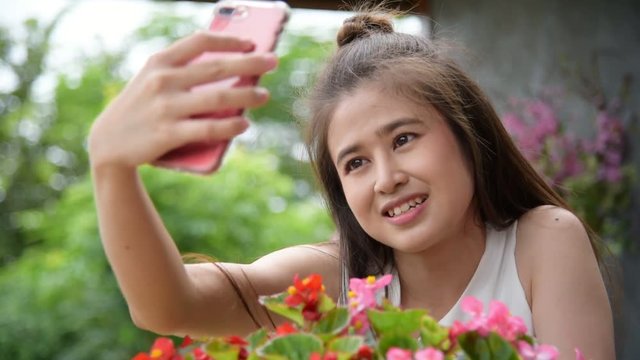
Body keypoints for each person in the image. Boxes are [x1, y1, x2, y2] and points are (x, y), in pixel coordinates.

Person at [88, 9, 615, 360]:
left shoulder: (543, 240)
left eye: (404, 138)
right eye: (356, 163)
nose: (387, 178)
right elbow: (169, 307)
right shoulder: (336, 281)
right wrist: (111, 168)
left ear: (467, 132)